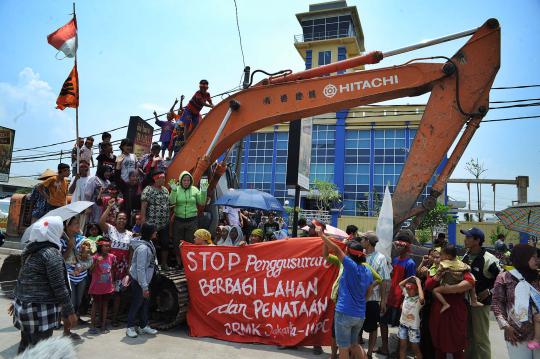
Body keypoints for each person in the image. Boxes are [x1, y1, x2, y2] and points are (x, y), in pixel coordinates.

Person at [12, 216, 77, 353]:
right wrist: (69, 312)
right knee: (40, 350)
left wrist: (15, 299)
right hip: (40, 310)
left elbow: (23, 277)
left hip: (24, 307)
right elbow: (59, 286)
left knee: (25, 345)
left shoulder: (30, 250)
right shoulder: (51, 254)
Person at [318, 229, 373, 359]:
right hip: (359, 314)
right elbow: (370, 287)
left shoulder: (350, 266)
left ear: (349, 253)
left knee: (343, 346)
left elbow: (336, 250)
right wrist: (363, 301)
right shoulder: (367, 270)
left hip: (344, 313)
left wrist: (322, 236)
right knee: (354, 344)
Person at [492, 244, 540, 358]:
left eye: (538, 257)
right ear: (522, 257)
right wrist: (505, 326)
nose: (538, 260)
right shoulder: (504, 277)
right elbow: (497, 303)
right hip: (516, 334)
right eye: (533, 257)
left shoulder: (538, 277)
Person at [461, 227, 501, 359]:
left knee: (481, 339)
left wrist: (490, 291)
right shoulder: (465, 256)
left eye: (468, 237)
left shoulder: (489, 259)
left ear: (477, 240)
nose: (465, 240)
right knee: (468, 336)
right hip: (465, 303)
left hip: (481, 305)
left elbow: (503, 280)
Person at [424, 257, 475, 358]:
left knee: (457, 342)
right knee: (439, 341)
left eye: (439, 255)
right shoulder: (437, 269)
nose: (437, 259)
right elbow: (428, 286)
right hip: (439, 309)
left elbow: (471, 282)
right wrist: (437, 276)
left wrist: (449, 289)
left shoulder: (461, 267)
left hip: (456, 309)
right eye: (435, 256)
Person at [378, 234, 416, 356]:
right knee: (382, 322)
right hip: (389, 297)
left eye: (401, 245)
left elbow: (410, 284)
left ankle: (399, 352)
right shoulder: (394, 259)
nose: (398, 247)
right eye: (397, 245)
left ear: (407, 247)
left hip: (400, 299)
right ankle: (385, 347)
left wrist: (405, 301)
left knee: (401, 326)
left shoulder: (410, 263)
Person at [98, 200, 133, 326]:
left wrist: (129, 267)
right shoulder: (110, 229)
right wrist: (109, 207)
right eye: (120, 218)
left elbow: (131, 252)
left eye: (124, 219)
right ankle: (101, 319)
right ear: (116, 219)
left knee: (118, 294)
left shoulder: (130, 234)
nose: (122, 221)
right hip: (108, 267)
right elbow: (100, 222)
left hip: (122, 269)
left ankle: (114, 319)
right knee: (105, 293)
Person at [360, 232, 391, 359]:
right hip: (358, 299)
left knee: (372, 327)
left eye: (363, 239)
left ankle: (369, 353)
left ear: (367, 241)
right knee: (357, 326)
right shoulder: (359, 255)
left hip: (373, 299)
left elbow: (384, 280)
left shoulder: (380, 258)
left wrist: (383, 301)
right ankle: (358, 352)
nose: (361, 241)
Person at [126, 223, 159, 338]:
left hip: (146, 280)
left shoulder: (149, 243)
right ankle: (129, 327)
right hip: (140, 281)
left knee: (145, 303)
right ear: (150, 233)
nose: (156, 233)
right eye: (154, 231)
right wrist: (144, 286)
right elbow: (140, 269)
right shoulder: (143, 248)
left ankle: (143, 325)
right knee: (137, 303)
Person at [169, 171, 207, 266]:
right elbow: (171, 201)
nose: (186, 182)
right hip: (179, 220)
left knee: (190, 242)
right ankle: (179, 263)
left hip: (192, 220)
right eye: (184, 180)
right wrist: (173, 191)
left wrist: (204, 190)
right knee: (177, 242)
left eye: (188, 180)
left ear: (191, 181)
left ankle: (189, 264)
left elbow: (202, 202)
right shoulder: (176, 189)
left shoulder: (194, 189)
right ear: (181, 181)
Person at [61, 216, 91, 337]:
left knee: (78, 302)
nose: (77, 225)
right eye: (74, 223)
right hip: (68, 275)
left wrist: (86, 251)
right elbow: (61, 260)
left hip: (81, 275)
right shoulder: (61, 240)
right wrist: (69, 246)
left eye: (78, 223)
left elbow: (89, 255)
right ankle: (66, 331)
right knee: (71, 303)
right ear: (67, 226)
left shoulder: (82, 239)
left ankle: (70, 327)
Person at [433, 244, 482, 313]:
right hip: (459, 281)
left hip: (448, 286)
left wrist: (437, 276)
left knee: (435, 290)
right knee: (473, 280)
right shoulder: (460, 263)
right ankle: (474, 300)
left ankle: (445, 304)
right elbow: (468, 268)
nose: (441, 257)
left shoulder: (444, 264)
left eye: (441, 255)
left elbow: (436, 277)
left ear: (448, 256)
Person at [141, 170, 170, 269]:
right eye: (162, 178)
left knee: (165, 243)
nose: (164, 180)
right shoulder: (148, 190)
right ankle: (152, 265)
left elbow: (167, 204)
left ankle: (164, 264)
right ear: (156, 179)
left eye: (164, 178)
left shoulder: (165, 190)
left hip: (164, 223)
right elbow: (144, 207)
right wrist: (143, 222)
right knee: (151, 244)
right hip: (151, 223)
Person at [88, 237, 116, 334]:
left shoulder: (112, 257)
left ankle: (103, 326)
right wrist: (96, 262)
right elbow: (90, 271)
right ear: (100, 246)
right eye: (105, 246)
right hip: (96, 287)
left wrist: (112, 284)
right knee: (95, 306)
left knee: (105, 305)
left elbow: (112, 270)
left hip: (107, 287)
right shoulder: (95, 257)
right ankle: (92, 326)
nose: (108, 248)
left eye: (109, 246)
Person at [398, 276, 425, 359]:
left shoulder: (418, 300)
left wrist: (419, 284)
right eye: (407, 288)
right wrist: (411, 277)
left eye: (411, 289)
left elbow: (422, 298)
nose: (408, 291)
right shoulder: (406, 295)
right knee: (402, 346)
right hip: (403, 325)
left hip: (413, 328)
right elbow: (400, 284)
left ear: (417, 289)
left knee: (415, 349)